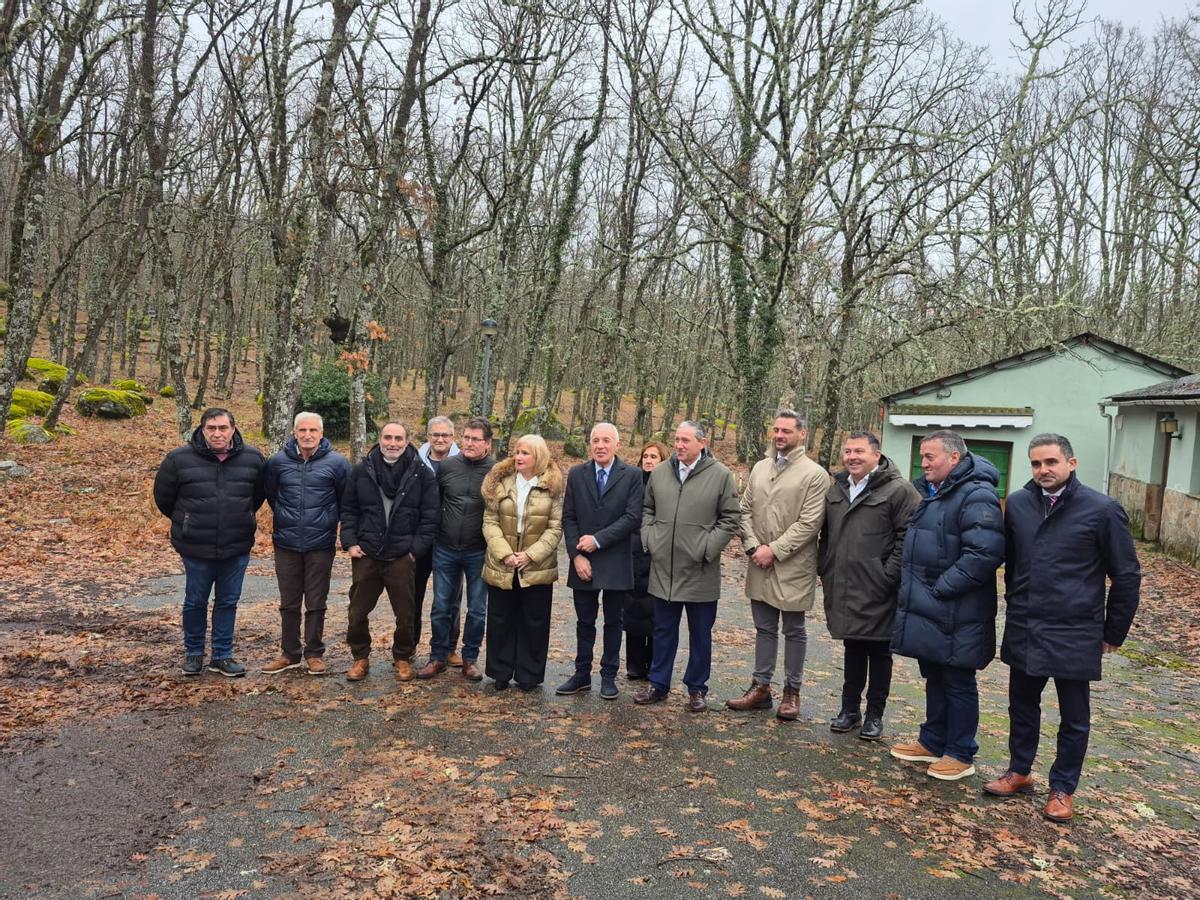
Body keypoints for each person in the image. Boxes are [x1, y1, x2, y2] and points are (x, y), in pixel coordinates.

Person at [983, 434, 1140, 822]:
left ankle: (1063, 788)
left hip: (1076, 629)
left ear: (1071, 463)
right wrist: (1016, 601)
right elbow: (1014, 563)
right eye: (1036, 464)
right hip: (1026, 624)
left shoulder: (1102, 510)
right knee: (1021, 705)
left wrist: (1113, 631)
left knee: (1074, 716)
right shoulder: (1018, 504)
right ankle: (1020, 771)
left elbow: (1126, 574)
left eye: (1051, 462)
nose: (1043, 471)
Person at [890, 430, 1004, 780]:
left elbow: (984, 553)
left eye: (930, 457)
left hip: (958, 609)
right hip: (931, 607)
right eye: (922, 457)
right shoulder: (933, 493)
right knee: (935, 675)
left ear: (954, 458)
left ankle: (960, 751)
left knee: (957, 679)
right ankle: (932, 740)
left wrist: (940, 588)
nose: (923, 463)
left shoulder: (976, 495)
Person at [729, 411, 829, 721]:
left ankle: (792, 692)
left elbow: (810, 523)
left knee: (794, 629)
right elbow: (743, 510)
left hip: (793, 564)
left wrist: (774, 549)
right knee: (764, 627)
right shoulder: (760, 468)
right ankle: (760, 688)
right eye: (776, 430)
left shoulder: (814, 474)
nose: (779, 435)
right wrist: (753, 546)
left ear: (802, 434)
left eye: (786, 430)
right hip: (759, 559)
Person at [819, 431, 920, 739]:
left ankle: (874, 715)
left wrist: (888, 574)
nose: (852, 457)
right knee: (852, 646)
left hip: (879, 586)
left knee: (878, 651)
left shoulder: (899, 490)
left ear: (876, 455)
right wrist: (826, 567)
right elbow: (825, 531)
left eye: (859, 451)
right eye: (848, 451)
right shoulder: (837, 487)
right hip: (845, 583)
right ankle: (849, 710)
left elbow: (908, 536)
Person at [634, 421, 740, 712]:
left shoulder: (720, 476)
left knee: (700, 633)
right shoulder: (660, 473)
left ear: (702, 443)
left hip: (699, 570)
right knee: (663, 629)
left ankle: (697, 688)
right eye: (677, 439)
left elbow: (730, 518)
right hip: (664, 568)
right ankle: (658, 683)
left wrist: (707, 548)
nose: (679, 445)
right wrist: (651, 539)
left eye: (686, 440)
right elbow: (647, 510)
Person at [152, 407, 266, 677]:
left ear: (233, 429)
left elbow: (258, 496)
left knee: (228, 601)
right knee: (195, 601)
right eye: (211, 428)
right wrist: (188, 521)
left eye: (223, 428)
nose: (218, 433)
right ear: (202, 430)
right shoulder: (179, 459)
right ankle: (193, 653)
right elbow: (164, 498)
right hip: (196, 545)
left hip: (236, 544)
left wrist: (244, 517)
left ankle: (222, 655)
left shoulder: (252, 459)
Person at [341, 422, 439, 682]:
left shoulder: (421, 473)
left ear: (407, 441)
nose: (392, 443)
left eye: (398, 438)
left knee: (406, 612)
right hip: (367, 553)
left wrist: (415, 550)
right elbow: (349, 509)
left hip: (401, 555)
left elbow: (430, 517)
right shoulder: (362, 470)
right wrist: (350, 542)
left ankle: (402, 657)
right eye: (388, 437)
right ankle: (360, 657)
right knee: (357, 611)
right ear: (380, 439)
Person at [557, 423, 644, 700]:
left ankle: (609, 675)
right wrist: (576, 555)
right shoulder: (577, 474)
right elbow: (568, 517)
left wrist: (598, 540)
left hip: (616, 559)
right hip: (583, 561)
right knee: (585, 621)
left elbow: (632, 517)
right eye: (596, 440)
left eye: (606, 440)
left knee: (613, 622)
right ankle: (582, 673)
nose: (600, 446)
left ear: (617, 445)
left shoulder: (631, 475)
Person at [261, 412, 351, 676]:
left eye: (313, 430)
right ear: (294, 433)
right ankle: (290, 652)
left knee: (315, 601)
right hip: (286, 542)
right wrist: (287, 518)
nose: (308, 435)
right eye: (303, 430)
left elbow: (345, 500)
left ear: (321, 434)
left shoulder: (337, 463)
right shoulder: (277, 462)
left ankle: (314, 652)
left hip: (320, 543)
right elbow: (271, 494)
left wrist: (330, 523)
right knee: (289, 602)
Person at [481, 433, 564, 691]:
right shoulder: (501, 482)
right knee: (500, 618)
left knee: (534, 621)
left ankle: (529, 674)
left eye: (525, 453)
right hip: (502, 562)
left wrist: (530, 555)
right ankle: (500, 672)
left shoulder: (552, 486)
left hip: (537, 565)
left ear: (537, 457)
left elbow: (555, 527)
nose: (518, 456)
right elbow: (490, 521)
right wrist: (505, 553)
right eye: (517, 451)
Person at [416, 417, 496, 683]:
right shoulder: (448, 466)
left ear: (487, 443)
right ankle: (437, 655)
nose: (469, 443)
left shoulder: (496, 471)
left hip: (479, 550)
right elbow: (433, 505)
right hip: (446, 548)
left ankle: (469, 658)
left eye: (475, 439)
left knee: (477, 609)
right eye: (466, 437)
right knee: (441, 606)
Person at [415, 415, 462, 665]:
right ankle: (408, 645)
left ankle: (449, 648)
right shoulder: (415, 462)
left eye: (445, 435)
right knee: (412, 596)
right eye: (435, 434)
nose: (440, 439)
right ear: (428, 436)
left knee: (450, 599)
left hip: (451, 541)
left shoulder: (463, 463)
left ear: (452, 438)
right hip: (420, 539)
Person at [625, 440, 669, 679]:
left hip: (657, 554)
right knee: (630, 609)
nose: (649, 460)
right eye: (646, 456)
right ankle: (634, 664)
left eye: (654, 456)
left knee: (655, 612)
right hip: (632, 552)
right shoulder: (632, 483)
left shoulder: (669, 486)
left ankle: (653, 662)